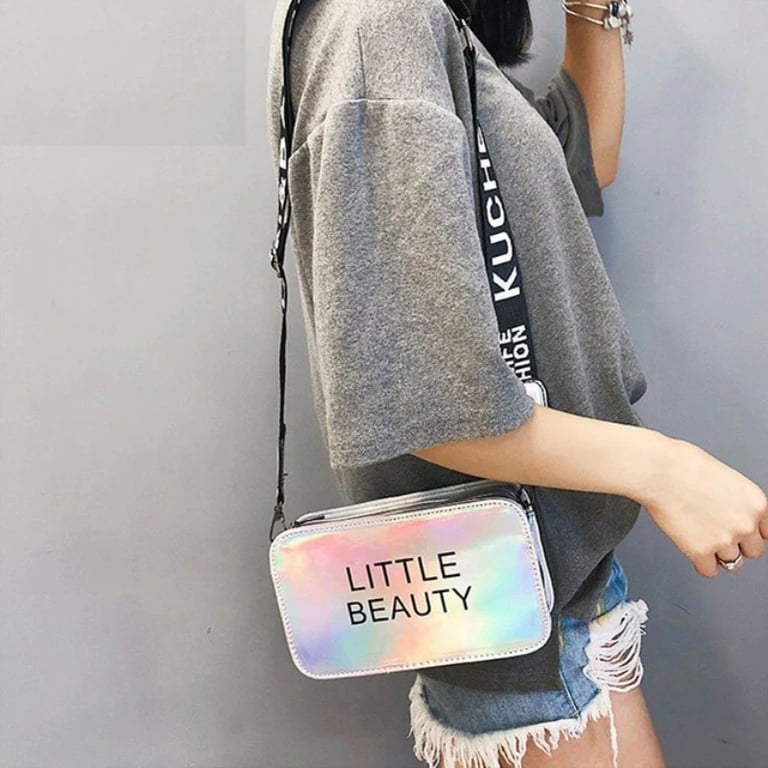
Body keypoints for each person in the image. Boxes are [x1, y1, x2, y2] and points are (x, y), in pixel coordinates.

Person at [265, 0, 768, 766]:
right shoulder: (385, 23)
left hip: (535, 592)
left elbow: (582, 157)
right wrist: (667, 470)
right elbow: (425, 403)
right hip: (525, 615)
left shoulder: (426, 26)